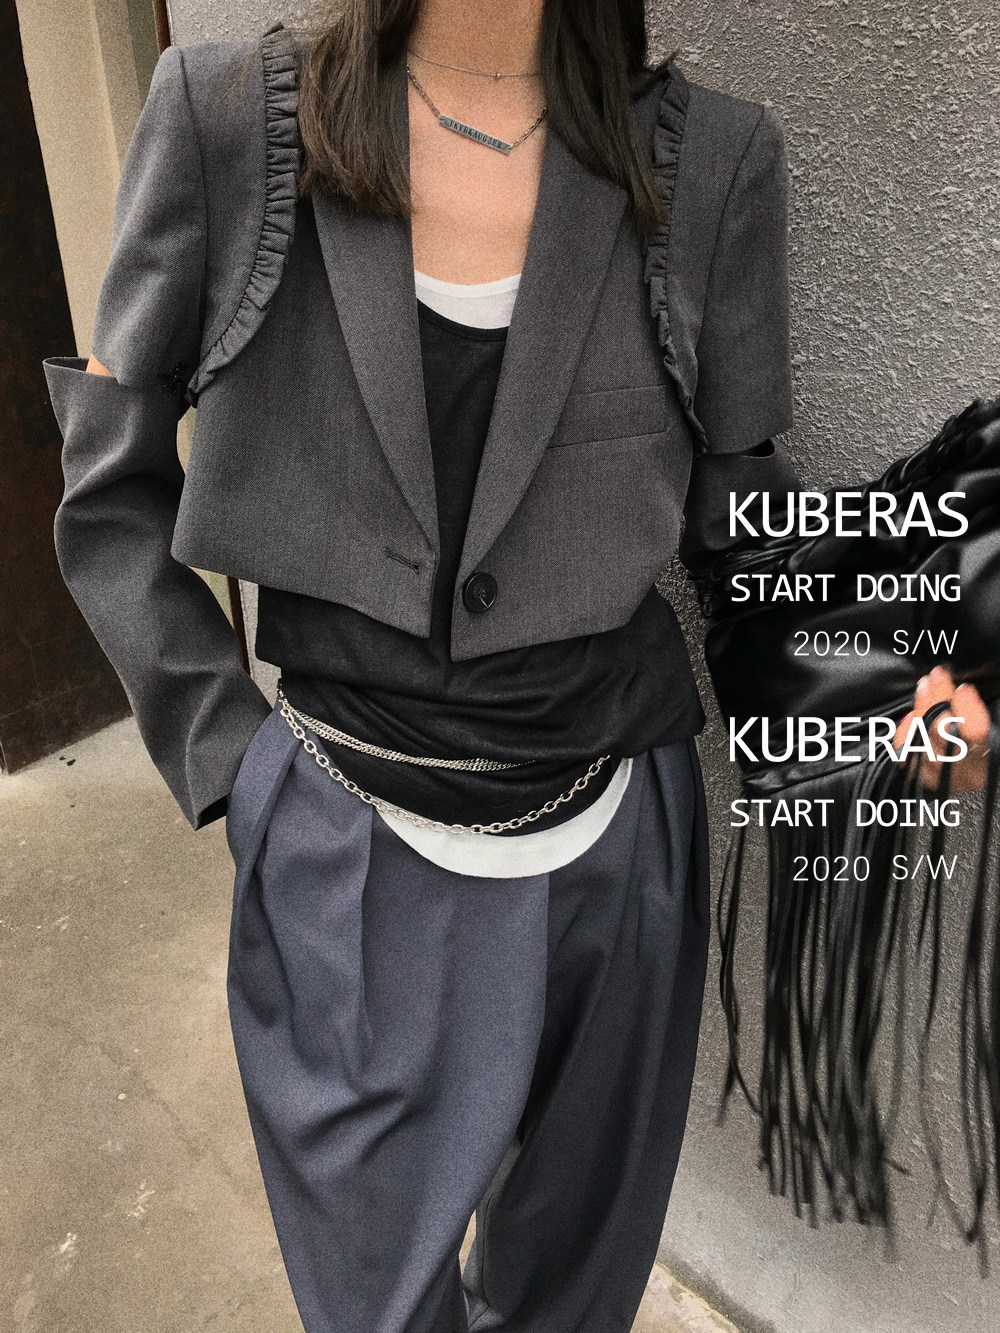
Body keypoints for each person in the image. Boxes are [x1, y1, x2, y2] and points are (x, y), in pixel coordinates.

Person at [44, 1, 987, 1328]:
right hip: (347, 842)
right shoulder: (225, 125)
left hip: (624, 845)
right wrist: (235, 764)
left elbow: (738, 510)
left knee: (575, 1294)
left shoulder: (715, 161)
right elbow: (108, 490)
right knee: (377, 1302)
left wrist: (888, 674)